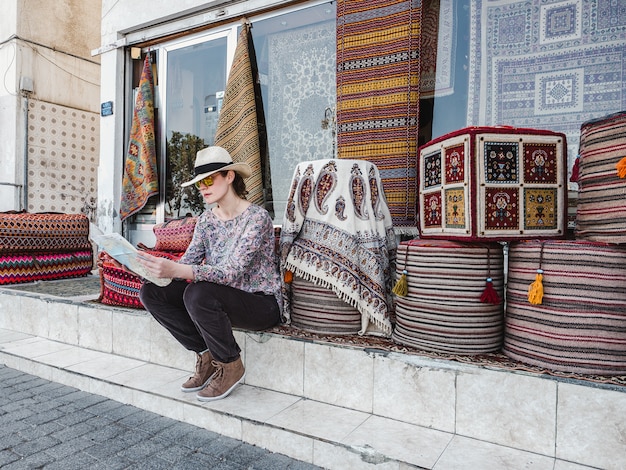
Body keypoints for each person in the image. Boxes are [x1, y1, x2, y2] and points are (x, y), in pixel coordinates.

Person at [137, 146, 282, 401]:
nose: (202, 187)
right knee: (152, 292)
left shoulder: (257, 218)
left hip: (260, 302)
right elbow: (188, 263)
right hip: (220, 295)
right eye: (198, 183)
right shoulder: (206, 220)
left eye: (208, 179)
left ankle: (230, 364)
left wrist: (179, 269)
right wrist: (150, 269)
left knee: (198, 293)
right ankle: (206, 355)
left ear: (229, 176)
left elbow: (232, 273)